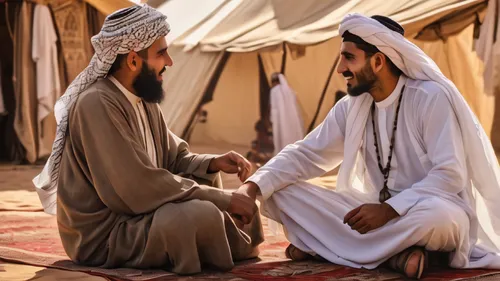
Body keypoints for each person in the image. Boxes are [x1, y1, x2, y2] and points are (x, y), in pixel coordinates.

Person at [235, 14, 500, 279]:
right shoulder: (352, 107)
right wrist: (251, 188)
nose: (340, 68)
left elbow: (450, 175)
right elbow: (306, 154)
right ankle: (396, 254)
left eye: (349, 58)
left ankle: (330, 246)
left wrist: (389, 210)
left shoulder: (429, 98)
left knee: (438, 218)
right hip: (375, 210)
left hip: (427, 209)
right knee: (280, 193)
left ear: (378, 61)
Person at [32, 4, 263, 275]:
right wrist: (223, 200)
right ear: (132, 60)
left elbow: (173, 158)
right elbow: (136, 186)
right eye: (161, 53)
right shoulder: (96, 103)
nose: (170, 62)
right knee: (203, 215)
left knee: (214, 189)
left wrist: (213, 163)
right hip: (109, 231)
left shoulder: (144, 97)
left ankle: (217, 239)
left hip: (140, 211)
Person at [269, 72, 304, 156]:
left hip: (279, 119)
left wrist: (271, 118)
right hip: (292, 119)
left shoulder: (274, 90)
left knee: (281, 136)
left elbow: (273, 106)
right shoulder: (290, 90)